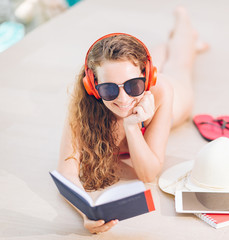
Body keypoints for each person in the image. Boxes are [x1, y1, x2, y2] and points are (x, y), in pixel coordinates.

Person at [57, 7, 208, 234]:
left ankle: (183, 24)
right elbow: (66, 172)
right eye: (109, 89)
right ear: (92, 86)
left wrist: (132, 126)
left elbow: (147, 174)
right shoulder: (82, 104)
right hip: (136, 81)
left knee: (180, 63)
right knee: (153, 61)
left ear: (147, 79)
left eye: (133, 86)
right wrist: (86, 213)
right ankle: (165, 48)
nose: (124, 100)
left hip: (173, 105)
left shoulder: (161, 90)